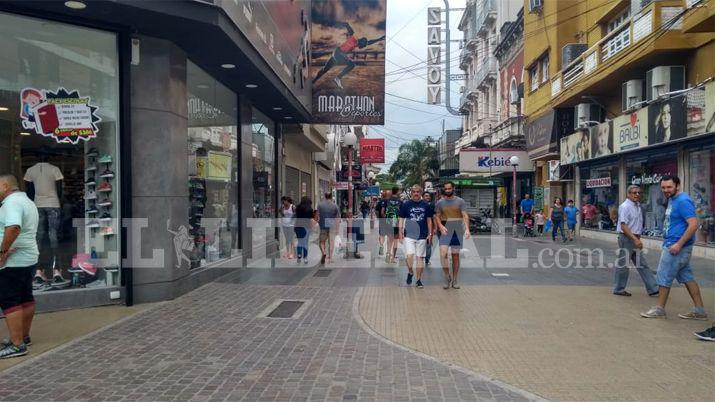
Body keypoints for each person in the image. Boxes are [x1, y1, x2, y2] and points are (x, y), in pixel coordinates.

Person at [641, 175, 708, 319]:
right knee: (687, 278)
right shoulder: (673, 199)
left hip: (676, 247)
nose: (666, 190)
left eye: (669, 187)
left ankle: (659, 309)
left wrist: (678, 244)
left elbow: (694, 224)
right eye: (663, 187)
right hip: (675, 245)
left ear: (677, 185)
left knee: (663, 276)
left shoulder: (683, 201)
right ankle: (700, 311)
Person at [0, 173, 39, 359]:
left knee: (10, 300)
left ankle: (17, 345)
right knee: (25, 297)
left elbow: (14, 227)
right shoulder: (27, 201)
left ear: (5, 186)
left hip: (13, 261)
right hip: (28, 258)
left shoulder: (12, 203)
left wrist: (2, 251)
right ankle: (24, 336)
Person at [613, 185, 659, 297]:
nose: (637, 195)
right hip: (627, 238)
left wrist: (638, 238)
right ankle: (618, 289)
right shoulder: (625, 207)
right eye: (634, 193)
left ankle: (653, 288)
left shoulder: (638, 206)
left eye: (639, 192)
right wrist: (635, 239)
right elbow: (623, 226)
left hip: (635, 238)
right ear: (628, 194)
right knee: (623, 264)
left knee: (642, 264)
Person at [312, 23, 386, 89]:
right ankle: (338, 78)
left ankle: (313, 81)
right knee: (352, 64)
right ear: (361, 42)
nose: (362, 47)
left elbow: (369, 42)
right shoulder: (354, 38)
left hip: (337, 54)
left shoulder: (357, 43)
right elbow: (351, 31)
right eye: (362, 46)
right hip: (338, 53)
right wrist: (347, 25)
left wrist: (379, 39)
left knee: (324, 69)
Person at [435, 181, 470, 289]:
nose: (448, 191)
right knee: (443, 254)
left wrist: (467, 229)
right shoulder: (440, 202)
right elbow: (437, 216)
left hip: (457, 229)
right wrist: (440, 226)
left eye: (449, 189)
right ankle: (447, 277)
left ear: (453, 188)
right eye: (446, 189)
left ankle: (455, 280)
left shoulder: (460, 201)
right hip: (445, 229)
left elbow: (465, 216)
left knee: (455, 256)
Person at [398, 185, 433, 288]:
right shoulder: (406, 204)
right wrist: (400, 232)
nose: (416, 193)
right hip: (409, 235)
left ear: (421, 193)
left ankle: (418, 280)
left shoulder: (426, 205)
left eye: (418, 192)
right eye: (414, 192)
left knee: (419, 258)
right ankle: (410, 272)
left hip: (422, 235)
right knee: (409, 256)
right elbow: (401, 219)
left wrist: (430, 234)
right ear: (411, 193)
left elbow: (429, 220)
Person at [317, 192, 339, 265]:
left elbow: (317, 216)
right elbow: (337, 218)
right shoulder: (335, 205)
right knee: (331, 242)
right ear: (331, 197)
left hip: (323, 225)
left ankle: (323, 253)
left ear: (325, 196)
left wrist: (318, 222)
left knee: (322, 242)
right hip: (331, 225)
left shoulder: (320, 205)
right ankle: (330, 258)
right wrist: (337, 229)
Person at [294, 197, 316, 265]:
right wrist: (313, 228)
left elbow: (295, 216)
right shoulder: (310, 209)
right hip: (306, 227)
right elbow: (311, 219)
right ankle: (305, 258)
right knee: (305, 243)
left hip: (298, 226)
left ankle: (299, 255)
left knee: (299, 241)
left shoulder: (297, 208)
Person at [383, 187, 402, 264]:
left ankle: (388, 254)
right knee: (395, 240)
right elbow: (402, 214)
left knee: (389, 239)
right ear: (397, 192)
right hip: (396, 221)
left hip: (388, 221)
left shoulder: (387, 200)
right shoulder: (400, 201)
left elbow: (383, 211)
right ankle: (393, 258)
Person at [422, 192, 435, 265]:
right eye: (426, 196)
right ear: (422, 197)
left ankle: (427, 259)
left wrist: (435, 227)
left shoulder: (432, 205)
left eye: (428, 196)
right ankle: (420, 257)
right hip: (420, 227)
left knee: (428, 243)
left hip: (430, 226)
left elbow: (434, 216)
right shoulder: (419, 205)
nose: (427, 197)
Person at [377, 190, 390, 256]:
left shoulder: (380, 202)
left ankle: (381, 245)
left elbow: (376, 211)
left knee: (382, 235)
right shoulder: (391, 202)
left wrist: (378, 217)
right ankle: (388, 251)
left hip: (382, 220)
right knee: (389, 236)